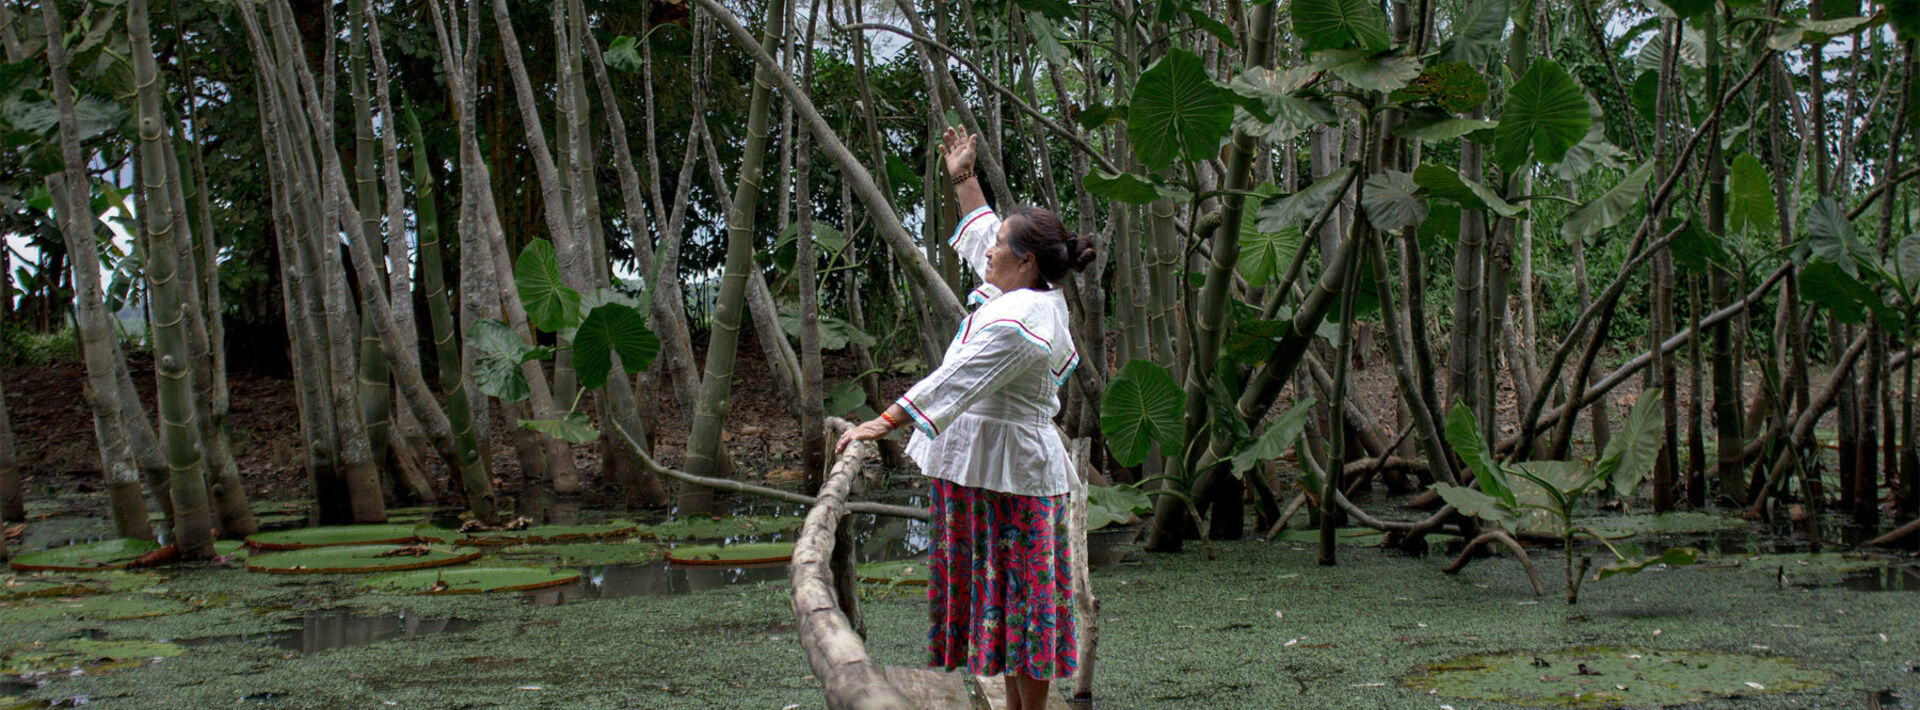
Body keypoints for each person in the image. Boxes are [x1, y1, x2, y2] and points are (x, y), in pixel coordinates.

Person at [835, 123, 1094, 710]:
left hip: (1016, 479)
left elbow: (956, 381)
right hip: (984, 470)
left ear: (1026, 262)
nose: (990, 250)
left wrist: (882, 422)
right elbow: (983, 234)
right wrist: (963, 176)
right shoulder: (1021, 286)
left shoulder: (1025, 320)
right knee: (1002, 608)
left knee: (1026, 611)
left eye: (1004, 245)